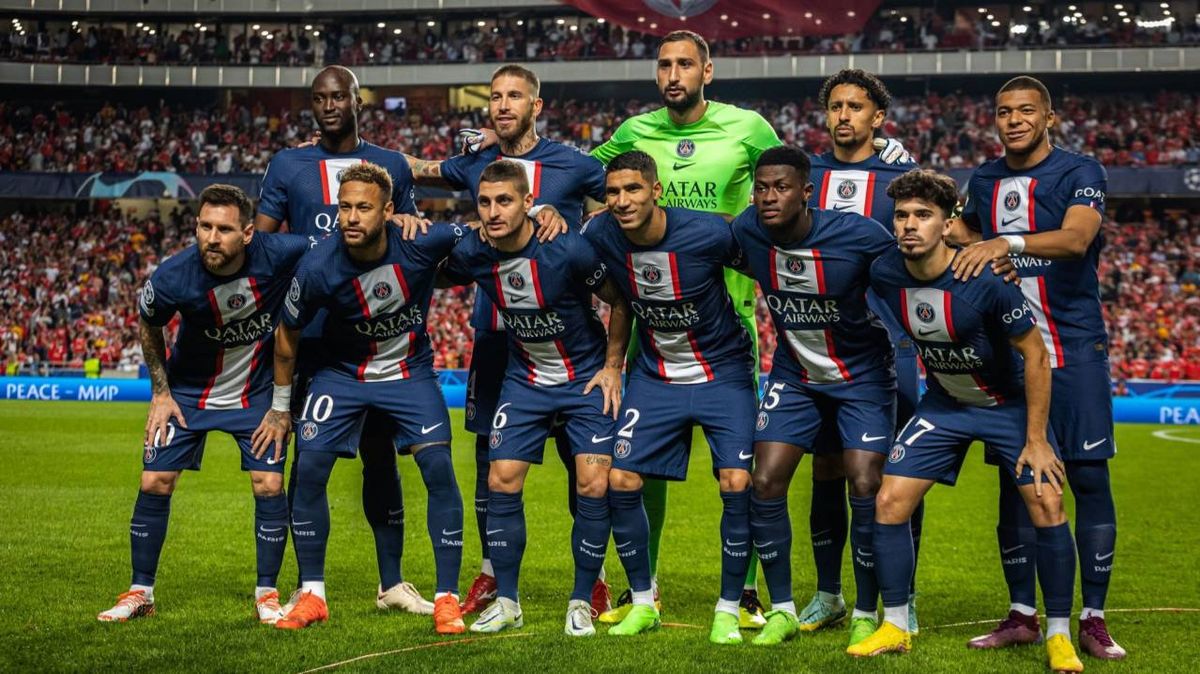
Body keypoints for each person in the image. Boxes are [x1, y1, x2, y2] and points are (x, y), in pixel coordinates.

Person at [851, 169, 1083, 674]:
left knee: (1047, 502)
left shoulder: (986, 280)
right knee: (888, 502)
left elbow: (1036, 356)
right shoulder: (885, 271)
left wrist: (1037, 440)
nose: (910, 225)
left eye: (923, 215)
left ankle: (1059, 634)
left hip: (1007, 407)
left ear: (948, 222)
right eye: (902, 215)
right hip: (945, 406)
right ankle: (895, 625)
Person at [405, 64, 610, 616]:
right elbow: (417, 169)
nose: (502, 105)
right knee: (489, 460)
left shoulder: (573, 164)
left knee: (582, 463)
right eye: (495, 96)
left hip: (566, 336)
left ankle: (594, 578)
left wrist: (577, 226)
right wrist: (360, 159)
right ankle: (492, 573)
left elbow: (617, 206)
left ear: (535, 106)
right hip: (498, 335)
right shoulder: (476, 161)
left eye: (514, 96)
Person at [952, 75, 1123, 660]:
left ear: (1049, 117)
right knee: (1015, 481)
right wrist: (958, 232)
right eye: (1004, 111)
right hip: (1011, 357)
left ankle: (1092, 618)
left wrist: (1007, 243)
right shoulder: (984, 179)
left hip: (1073, 349)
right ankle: (1023, 613)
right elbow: (969, 234)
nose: (1014, 120)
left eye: (1026, 110)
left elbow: (1076, 240)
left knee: (1089, 477)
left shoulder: (1081, 171)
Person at [255, 163, 466, 634]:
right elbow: (287, 335)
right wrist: (280, 407)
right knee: (310, 467)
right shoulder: (317, 266)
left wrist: (544, 215)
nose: (351, 217)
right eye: (344, 207)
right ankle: (313, 595)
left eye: (364, 208)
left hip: (409, 372)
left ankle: (447, 599)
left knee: (437, 467)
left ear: (389, 211)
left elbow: (482, 232)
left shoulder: (421, 240)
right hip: (342, 374)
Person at [254, 65, 434, 615]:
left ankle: (391, 583)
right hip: (309, 338)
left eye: (339, 97)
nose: (329, 106)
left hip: (374, 339)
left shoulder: (390, 165)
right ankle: (306, 585)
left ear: (358, 101)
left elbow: (409, 234)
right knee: (305, 460)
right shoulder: (288, 164)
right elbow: (261, 247)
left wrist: (409, 221)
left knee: (380, 457)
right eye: (319, 98)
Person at [97, 185, 308, 624]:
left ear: (247, 233)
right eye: (205, 226)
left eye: (224, 229)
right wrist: (160, 393)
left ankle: (267, 594)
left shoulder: (280, 252)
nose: (212, 238)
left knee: (269, 485)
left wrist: (400, 220)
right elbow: (149, 325)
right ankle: (141, 592)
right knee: (154, 480)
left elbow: (339, 244)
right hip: (188, 394)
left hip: (256, 395)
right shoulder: (173, 275)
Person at [441, 160, 632, 636]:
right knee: (501, 479)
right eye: (485, 202)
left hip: (584, 380)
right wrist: (406, 224)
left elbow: (620, 299)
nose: (493, 211)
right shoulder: (474, 250)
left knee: (593, 483)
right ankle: (508, 601)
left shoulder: (567, 247)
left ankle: (583, 599)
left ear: (528, 202)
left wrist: (612, 366)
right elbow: (431, 268)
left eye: (504, 200)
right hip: (524, 380)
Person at [582, 151, 756, 643]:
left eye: (633, 189)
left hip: (723, 372)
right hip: (655, 375)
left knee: (737, 482)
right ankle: (643, 602)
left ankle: (729, 608)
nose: (621, 201)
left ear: (656, 191)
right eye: (613, 192)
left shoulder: (709, 232)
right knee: (622, 478)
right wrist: (612, 363)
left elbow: (767, 263)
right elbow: (613, 295)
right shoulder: (600, 234)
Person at [729, 146, 897, 646]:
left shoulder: (860, 236)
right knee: (764, 480)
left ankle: (866, 609)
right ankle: (786, 608)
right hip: (796, 375)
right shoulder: (749, 230)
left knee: (864, 482)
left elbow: (912, 271)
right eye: (761, 188)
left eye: (781, 188)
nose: (768, 197)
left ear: (806, 192)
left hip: (862, 376)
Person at [797, 67, 924, 641]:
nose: (844, 115)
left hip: (890, 346)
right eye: (836, 106)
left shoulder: (901, 178)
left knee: (893, 476)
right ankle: (829, 594)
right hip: (819, 347)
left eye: (856, 106)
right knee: (825, 468)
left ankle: (901, 597)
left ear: (879, 117)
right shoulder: (807, 176)